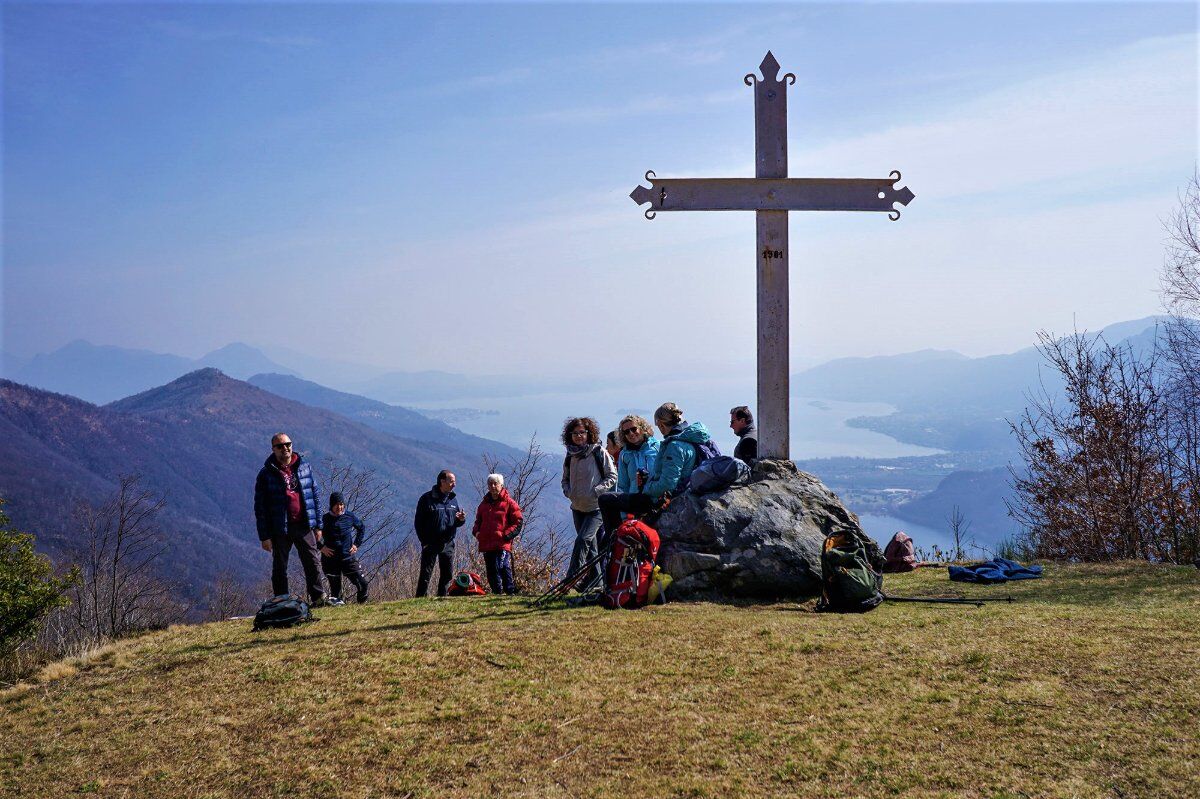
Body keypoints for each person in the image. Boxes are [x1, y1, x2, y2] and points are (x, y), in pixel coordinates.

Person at [599, 403, 714, 536]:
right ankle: (616, 538)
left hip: (654, 499)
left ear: (660, 424)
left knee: (605, 500)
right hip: (650, 497)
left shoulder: (668, 446)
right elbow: (623, 486)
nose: (631, 433)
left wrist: (648, 487)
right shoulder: (687, 439)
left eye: (633, 429)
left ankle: (613, 540)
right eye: (626, 432)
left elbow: (668, 482)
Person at [254, 432, 328, 605]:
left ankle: (318, 598)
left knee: (312, 562)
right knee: (280, 566)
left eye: (288, 444)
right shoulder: (266, 474)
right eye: (280, 446)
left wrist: (318, 525)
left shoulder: (304, 467)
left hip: (303, 524)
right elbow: (260, 507)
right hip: (280, 527)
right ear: (273, 449)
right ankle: (282, 601)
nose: (285, 448)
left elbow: (314, 497)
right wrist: (264, 536)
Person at [561, 417, 617, 586]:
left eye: (582, 432)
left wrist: (597, 491)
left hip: (596, 507)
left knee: (583, 540)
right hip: (577, 508)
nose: (578, 436)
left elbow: (612, 476)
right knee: (591, 550)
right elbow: (565, 479)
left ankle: (572, 577)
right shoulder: (570, 455)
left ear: (589, 433)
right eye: (575, 433)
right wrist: (568, 492)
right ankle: (597, 586)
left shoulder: (599, 452)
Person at [414, 470, 467, 597]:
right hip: (430, 543)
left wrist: (461, 519)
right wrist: (424, 542)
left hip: (448, 542)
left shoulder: (453, 500)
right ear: (442, 481)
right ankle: (420, 600)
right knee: (426, 574)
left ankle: (442, 598)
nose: (454, 484)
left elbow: (456, 522)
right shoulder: (427, 499)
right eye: (452, 481)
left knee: (447, 574)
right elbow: (418, 523)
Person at [472, 474, 523, 595]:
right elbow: (478, 522)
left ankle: (509, 591)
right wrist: (477, 533)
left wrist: (506, 535)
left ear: (501, 485)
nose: (493, 486)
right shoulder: (483, 505)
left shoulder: (509, 503)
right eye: (490, 484)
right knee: (491, 569)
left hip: (501, 543)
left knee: (502, 567)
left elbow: (518, 522)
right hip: (486, 543)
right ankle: (497, 592)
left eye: (495, 483)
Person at [320, 491, 370, 604]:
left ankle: (362, 606)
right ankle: (338, 615)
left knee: (363, 584)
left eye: (341, 504)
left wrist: (356, 544)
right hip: (331, 560)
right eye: (336, 504)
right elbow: (313, 534)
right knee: (336, 592)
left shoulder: (349, 516)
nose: (339, 507)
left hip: (347, 558)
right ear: (331, 505)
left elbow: (361, 528)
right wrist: (321, 547)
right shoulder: (325, 519)